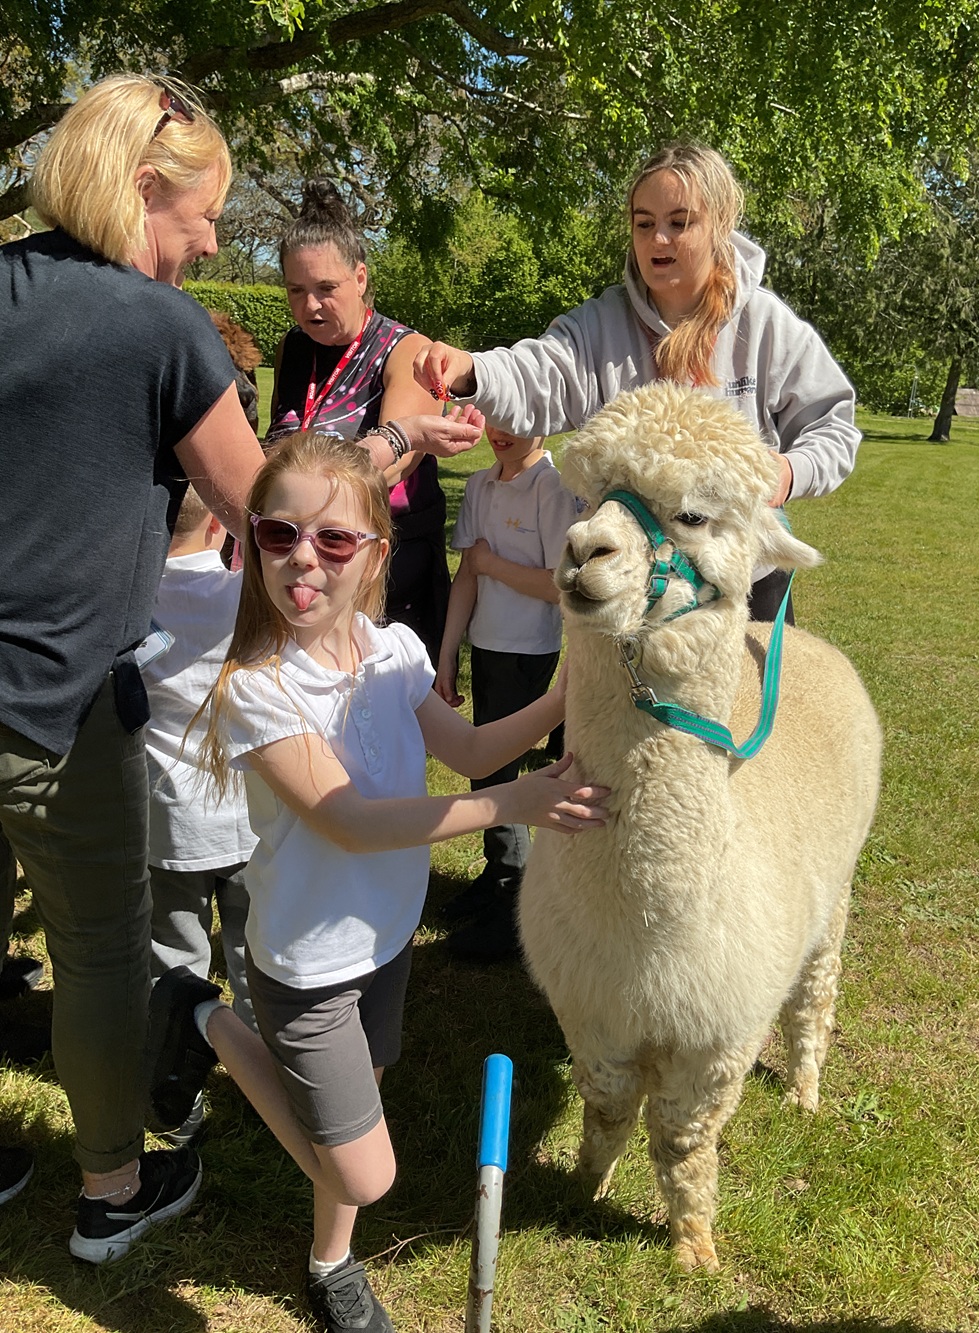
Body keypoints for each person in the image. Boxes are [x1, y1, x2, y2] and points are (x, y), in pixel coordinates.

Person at [0, 73, 480, 1259]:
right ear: (138, 188)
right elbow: (270, 507)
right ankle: (112, 1188)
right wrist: (398, 436)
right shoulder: (155, 324)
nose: (214, 241)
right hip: (56, 701)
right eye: (203, 213)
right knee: (100, 949)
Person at [150, 431, 608, 1333]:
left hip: (388, 935)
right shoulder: (257, 688)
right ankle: (201, 1016)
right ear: (252, 544)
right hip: (307, 964)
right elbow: (351, 821)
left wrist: (565, 696)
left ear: (374, 555)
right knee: (365, 1170)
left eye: (333, 540)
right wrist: (510, 803)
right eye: (279, 534)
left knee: (361, 1107)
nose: (304, 559)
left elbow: (468, 747)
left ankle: (331, 1262)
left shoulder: (390, 650)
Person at [414, 140, 862, 622]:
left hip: (742, 589)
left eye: (679, 222)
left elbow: (833, 426)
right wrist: (472, 371)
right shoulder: (600, 326)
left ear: (719, 225)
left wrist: (789, 473)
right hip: (631, 585)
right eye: (644, 224)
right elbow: (538, 373)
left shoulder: (766, 325)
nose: (658, 240)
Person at [267, 179, 454, 662]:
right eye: (295, 290)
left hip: (387, 570)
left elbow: (389, 466)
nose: (310, 306)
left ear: (361, 278)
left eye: (326, 289)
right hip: (301, 561)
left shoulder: (407, 351)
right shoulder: (292, 348)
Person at [434, 425, 580, 963]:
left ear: (543, 422)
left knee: (497, 770)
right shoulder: (479, 485)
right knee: (486, 768)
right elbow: (466, 577)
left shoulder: (553, 489)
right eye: (494, 419)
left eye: (516, 422)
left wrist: (491, 563)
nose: (501, 433)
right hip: (486, 645)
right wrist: (448, 652)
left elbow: (560, 585)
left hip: (527, 650)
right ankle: (499, 873)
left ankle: (513, 897)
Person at [143, 487, 258, 1050]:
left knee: (172, 952)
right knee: (256, 950)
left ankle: (175, 1062)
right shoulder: (248, 596)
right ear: (220, 524)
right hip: (249, 810)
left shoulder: (133, 604)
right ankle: (266, 1063)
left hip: (169, 819)